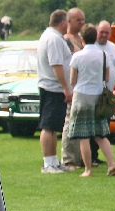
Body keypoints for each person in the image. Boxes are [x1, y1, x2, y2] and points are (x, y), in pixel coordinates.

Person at [67, 24, 115, 176]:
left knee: (84, 135)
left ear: (82, 39)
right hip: (98, 97)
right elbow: (107, 77)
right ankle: (112, 165)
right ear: (95, 37)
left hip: (82, 96)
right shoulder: (104, 55)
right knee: (100, 134)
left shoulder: (77, 56)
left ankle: (88, 169)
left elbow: (72, 80)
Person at [37, 10, 73, 174]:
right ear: (63, 23)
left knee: (53, 126)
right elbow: (56, 65)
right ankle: (48, 163)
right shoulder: (53, 39)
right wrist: (66, 87)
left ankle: (53, 161)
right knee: (48, 126)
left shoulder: (53, 37)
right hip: (52, 87)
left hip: (53, 87)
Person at [90, 21, 115, 165]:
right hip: (91, 93)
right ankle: (89, 156)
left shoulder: (113, 47)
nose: (104, 35)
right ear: (96, 31)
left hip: (107, 94)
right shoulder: (90, 46)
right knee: (90, 126)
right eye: (101, 32)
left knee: (104, 125)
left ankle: (95, 155)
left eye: (106, 32)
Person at [61, 7, 85, 168]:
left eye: (83, 20)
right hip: (73, 87)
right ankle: (68, 158)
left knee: (81, 125)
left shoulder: (81, 38)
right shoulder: (66, 40)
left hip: (83, 89)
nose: (82, 23)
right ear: (69, 21)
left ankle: (81, 157)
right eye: (79, 20)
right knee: (69, 123)